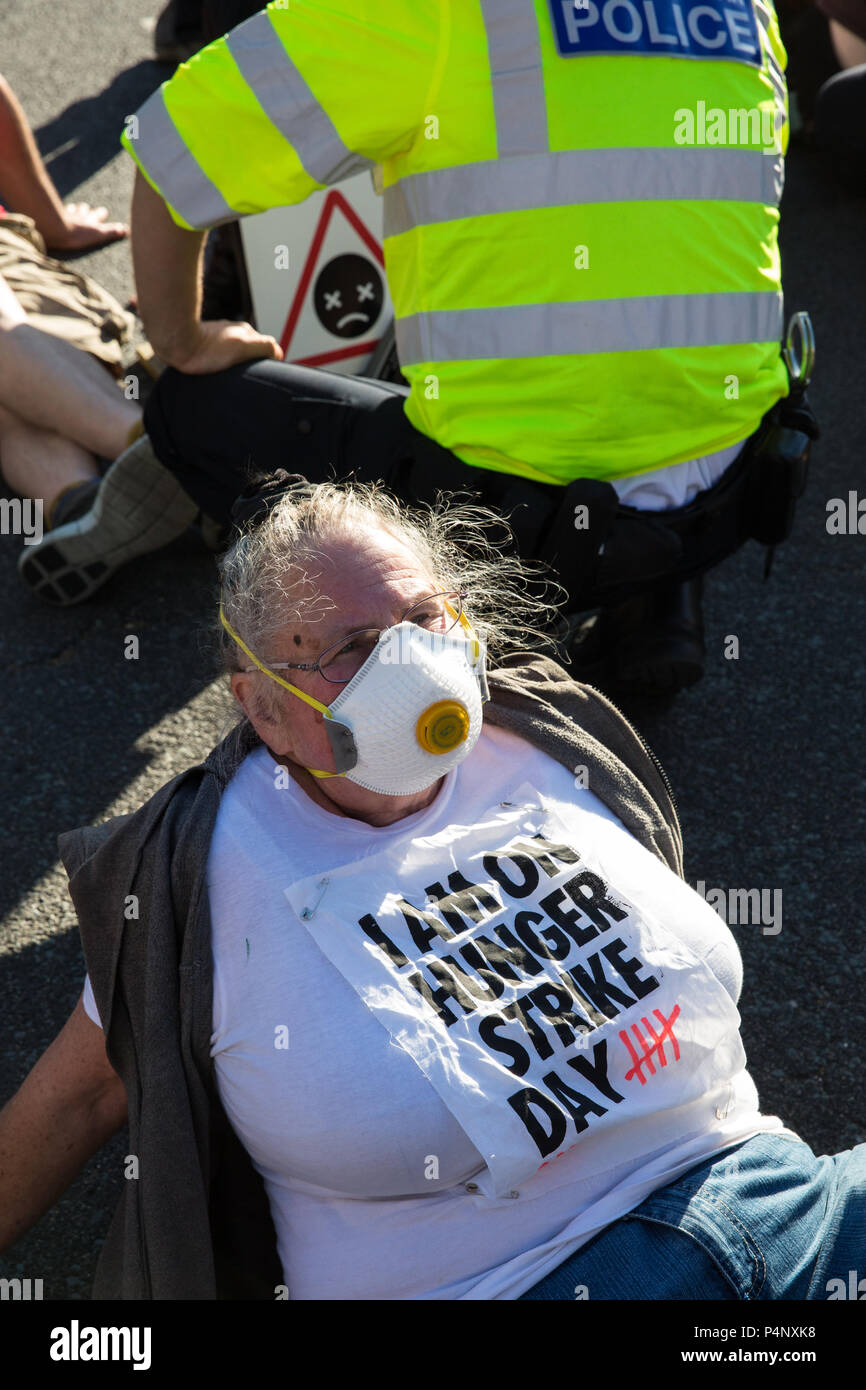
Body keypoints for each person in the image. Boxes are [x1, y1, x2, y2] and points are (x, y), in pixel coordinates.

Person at [1, 478, 863, 1300]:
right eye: (357, 650)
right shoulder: (201, 875)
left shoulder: (552, 743)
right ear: (262, 706)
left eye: (424, 618)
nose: (414, 663)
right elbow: (78, 1099)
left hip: (777, 1202)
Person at [18, 0, 815, 697]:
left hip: (511, 516)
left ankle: (436, 632)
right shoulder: (746, 9)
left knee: (193, 407)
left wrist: (183, 339)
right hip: (734, 488)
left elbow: (169, 155)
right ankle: (657, 604)